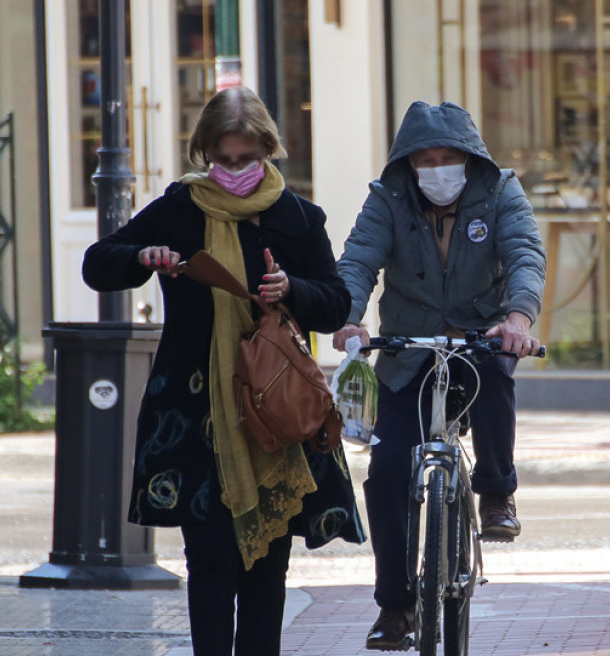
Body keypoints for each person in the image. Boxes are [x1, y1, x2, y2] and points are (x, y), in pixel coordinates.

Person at [82, 87, 364, 656]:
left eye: (246, 158)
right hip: (195, 415)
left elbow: (336, 303)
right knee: (209, 559)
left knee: (268, 564)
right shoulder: (179, 209)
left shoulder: (298, 218)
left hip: (276, 415)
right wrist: (141, 258)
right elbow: (97, 264)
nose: (234, 170)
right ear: (204, 152)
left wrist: (292, 289)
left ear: (268, 150)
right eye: (222, 159)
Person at [332, 101, 546, 650]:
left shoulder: (501, 191)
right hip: (408, 351)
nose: (437, 169)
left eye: (448, 157)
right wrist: (348, 317)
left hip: (480, 338)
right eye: (424, 159)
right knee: (385, 472)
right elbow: (358, 260)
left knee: (495, 374)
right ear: (407, 163)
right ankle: (395, 607)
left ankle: (496, 493)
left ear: (470, 158)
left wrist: (518, 320)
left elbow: (525, 254)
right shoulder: (387, 198)